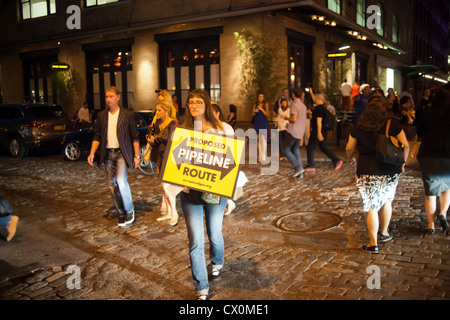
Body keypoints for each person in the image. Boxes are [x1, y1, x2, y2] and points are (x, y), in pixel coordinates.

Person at [180, 89, 229, 300]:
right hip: (190, 193)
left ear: (206, 104)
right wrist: (178, 179)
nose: (194, 105)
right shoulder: (182, 130)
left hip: (215, 192)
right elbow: (176, 160)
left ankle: (217, 261)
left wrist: (228, 191)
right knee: (195, 241)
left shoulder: (221, 129)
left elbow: (230, 161)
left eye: (199, 102)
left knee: (214, 232)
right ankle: (201, 286)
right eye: (191, 102)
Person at [346, 96, 409, 254]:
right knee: (387, 201)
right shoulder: (392, 124)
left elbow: (349, 148)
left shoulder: (359, 125)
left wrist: (351, 158)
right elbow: (406, 146)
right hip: (390, 169)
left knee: (371, 206)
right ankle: (385, 233)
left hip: (367, 170)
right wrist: (402, 164)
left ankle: (373, 244)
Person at [87, 86, 140, 227]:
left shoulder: (127, 114)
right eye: (106, 96)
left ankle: (129, 210)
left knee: (121, 181)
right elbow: (97, 135)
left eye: (111, 96)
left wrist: (137, 156)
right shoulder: (102, 115)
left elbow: (134, 137)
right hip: (108, 154)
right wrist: (92, 153)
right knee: (111, 184)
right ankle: (121, 211)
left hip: (122, 153)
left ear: (118, 97)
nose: (108, 99)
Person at [416, 83, 450, 235]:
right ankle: (442, 213)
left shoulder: (427, 112)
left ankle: (431, 225)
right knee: (447, 188)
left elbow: (420, 131)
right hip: (447, 154)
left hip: (428, 153)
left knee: (430, 193)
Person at [211, 103, 248, 215]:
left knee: (220, 182)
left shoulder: (226, 127)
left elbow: (231, 144)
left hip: (224, 158)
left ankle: (227, 202)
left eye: (212, 114)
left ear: (218, 113)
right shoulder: (209, 127)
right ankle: (224, 202)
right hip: (212, 158)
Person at [148, 100, 177, 225]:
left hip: (169, 157)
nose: (157, 112)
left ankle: (174, 213)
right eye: (156, 110)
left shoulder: (171, 123)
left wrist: (157, 138)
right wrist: (151, 139)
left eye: (159, 110)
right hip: (159, 156)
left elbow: (170, 139)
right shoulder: (157, 123)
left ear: (166, 110)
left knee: (167, 187)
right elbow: (155, 140)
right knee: (163, 187)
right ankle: (169, 212)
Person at [305, 89, 343, 172]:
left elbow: (319, 121)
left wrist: (318, 133)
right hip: (323, 132)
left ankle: (311, 165)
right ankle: (336, 160)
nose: (313, 99)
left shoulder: (318, 108)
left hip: (317, 132)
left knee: (310, 147)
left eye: (314, 98)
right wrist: (311, 92)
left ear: (317, 99)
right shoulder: (323, 107)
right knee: (322, 147)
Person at [280, 88, 307, 177]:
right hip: (300, 132)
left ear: (293, 95)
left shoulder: (294, 105)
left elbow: (293, 119)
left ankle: (298, 167)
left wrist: (286, 118)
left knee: (286, 149)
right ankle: (300, 172)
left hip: (293, 131)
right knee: (296, 149)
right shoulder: (303, 106)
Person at [252, 93, 270, 162]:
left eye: (262, 96)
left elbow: (267, 114)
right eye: (260, 96)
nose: (261, 97)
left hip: (263, 121)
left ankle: (264, 154)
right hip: (257, 121)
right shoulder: (255, 104)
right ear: (258, 97)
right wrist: (255, 111)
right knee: (258, 138)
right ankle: (260, 154)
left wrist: (261, 109)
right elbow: (252, 113)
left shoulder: (266, 104)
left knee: (263, 138)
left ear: (264, 97)